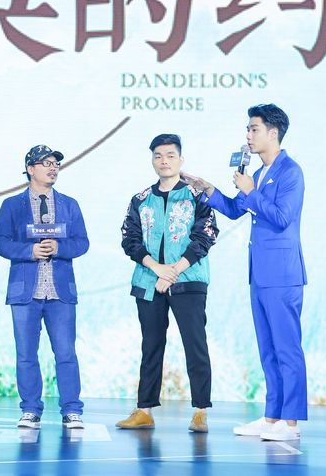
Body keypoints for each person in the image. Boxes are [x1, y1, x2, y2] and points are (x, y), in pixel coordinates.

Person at [186, 104, 307, 442]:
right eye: (248, 129)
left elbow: (281, 218)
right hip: (260, 274)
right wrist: (209, 190)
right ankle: (272, 417)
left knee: (287, 348)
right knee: (268, 349)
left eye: (254, 129)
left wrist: (251, 190)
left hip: (283, 275)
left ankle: (291, 423)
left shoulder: (290, 172)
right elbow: (235, 209)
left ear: (273, 132)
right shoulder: (259, 172)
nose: (248, 136)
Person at [116, 134, 218, 433]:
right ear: (152, 160)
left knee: (195, 345)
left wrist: (173, 271)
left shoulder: (197, 196)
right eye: (158, 155)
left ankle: (200, 410)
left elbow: (206, 235)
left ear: (181, 159)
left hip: (188, 281)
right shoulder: (140, 199)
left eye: (170, 155)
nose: (164, 161)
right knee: (151, 346)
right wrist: (157, 268)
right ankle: (144, 410)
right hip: (149, 281)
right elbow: (130, 239)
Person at [0, 145, 90, 430]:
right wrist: (29, 251)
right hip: (25, 292)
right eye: (45, 163)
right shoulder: (12, 205)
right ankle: (30, 409)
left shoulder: (69, 204)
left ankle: (72, 409)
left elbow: (82, 242)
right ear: (30, 169)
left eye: (55, 164)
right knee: (26, 354)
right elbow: (0, 241)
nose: (52, 168)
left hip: (60, 292)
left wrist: (60, 248)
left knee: (66, 353)